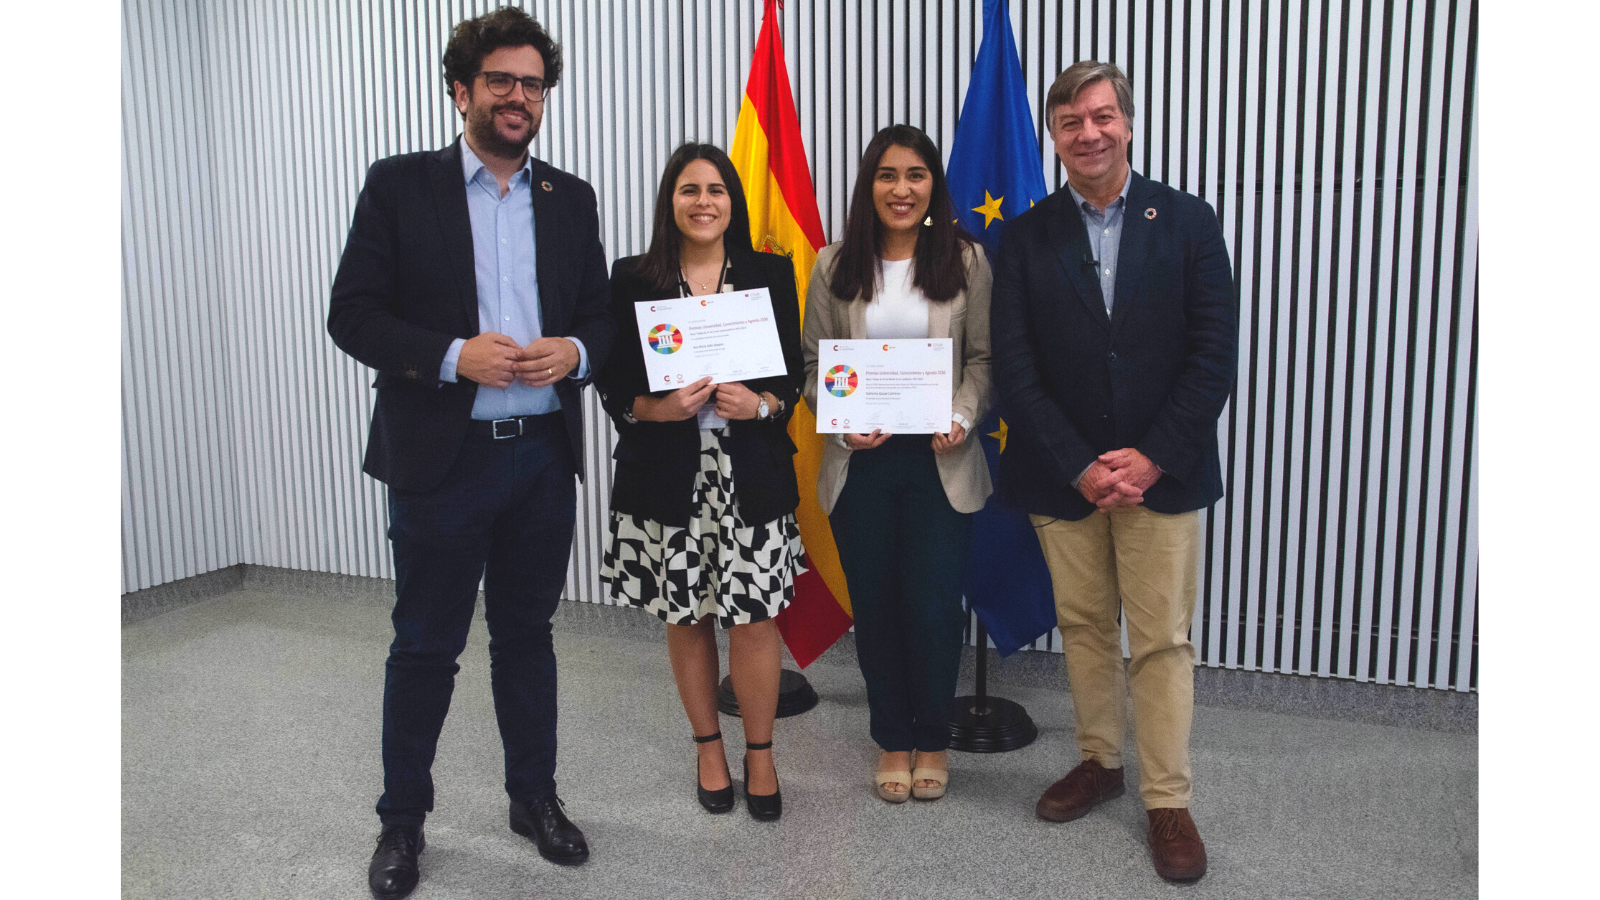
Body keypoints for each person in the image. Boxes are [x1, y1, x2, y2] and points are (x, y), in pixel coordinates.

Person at [326, 8, 614, 898]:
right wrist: (454, 357)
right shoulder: (400, 186)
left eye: (533, 83)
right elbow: (353, 314)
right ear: (462, 89)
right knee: (425, 647)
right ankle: (402, 823)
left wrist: (577, 352)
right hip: (441, 463)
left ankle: (534, 798)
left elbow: (601, 315)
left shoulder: (572, 198)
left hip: (539, 458)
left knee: (527, 639)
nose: (519, 97)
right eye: (501, 81)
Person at [990, 61, 1237, 882]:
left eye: (1102, 116)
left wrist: (1151, 455)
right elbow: (1016, 369)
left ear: (1127, 123)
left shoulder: (1191, 223)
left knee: (1161, 641)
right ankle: (1100, 761)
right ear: (1054, 137)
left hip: (1162, 476)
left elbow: (1213, 358)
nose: (1088, 133)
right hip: (1064, 479)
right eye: (1070, 121)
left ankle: (1167, 800)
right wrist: (1079, 465)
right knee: (1088, 627)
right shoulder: (1024, 237)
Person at [596, 143, 805, 822]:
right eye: (690, 190)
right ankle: (709, 747)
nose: (704, 201)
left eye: (717, 189)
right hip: (669, 477)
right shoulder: (633, 278)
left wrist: (763, 406)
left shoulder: (770, 273)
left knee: (753, 620)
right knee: (687, 618)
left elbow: (792, 380)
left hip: (750, 474)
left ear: (733, 202)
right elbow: (613, 383)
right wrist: (657, 408)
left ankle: (762, 753)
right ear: (671, 202)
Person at [801, 125, 992, 804]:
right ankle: (892, 738)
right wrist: (846, 424)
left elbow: (983, 361)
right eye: (887, 175)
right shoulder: (834, 265)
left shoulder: (966, 261)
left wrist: (962, 416)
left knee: (935, 608)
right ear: (868, 186)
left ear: (932, 185)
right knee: (877, 607)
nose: (901, 189)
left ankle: (933, 738)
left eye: (915, 175)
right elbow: (813, 366)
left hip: (942, 461)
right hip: (863, 465)